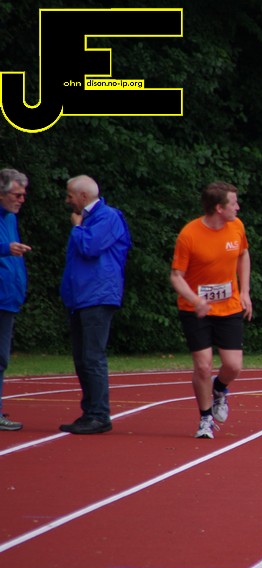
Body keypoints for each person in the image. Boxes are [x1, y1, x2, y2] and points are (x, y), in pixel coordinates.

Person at [171, 181, 253, 439]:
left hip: (228, 306)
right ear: (219, 208)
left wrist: (245, 292)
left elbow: (243, 255)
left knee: (233, 366)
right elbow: (176, 276)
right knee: (203, 366)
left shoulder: (237, 227)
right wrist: (195, 300)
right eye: (233, 203)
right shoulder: (189, 235)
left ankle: (219, 389)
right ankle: (205, 418)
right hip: (196, 309)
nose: (238, 208)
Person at [59, 175, 132, 435]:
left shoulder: (107, 217)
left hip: (97, 295)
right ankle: (90, 411)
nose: (67, 201)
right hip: (82, 296)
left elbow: (90, 248)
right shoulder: (90, 219)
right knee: (82, 358)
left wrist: (77, 228)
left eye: (70, 195)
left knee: (92, 357)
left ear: (83, 196)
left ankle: (99, 415)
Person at [0, 168, 31, 431]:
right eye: (17, 194)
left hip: (8, 298)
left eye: (23, 194)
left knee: (1, 358)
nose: (22, 199)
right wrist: (5, 249)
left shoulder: (10, 218)